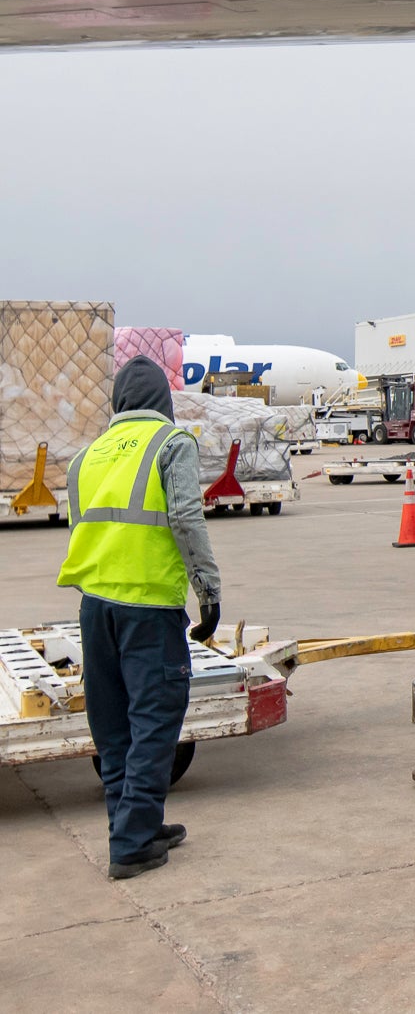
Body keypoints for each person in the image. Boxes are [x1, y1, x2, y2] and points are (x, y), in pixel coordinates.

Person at [56, 356, 223, 879]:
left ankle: (136, 826)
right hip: (148, 609)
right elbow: (185, 519)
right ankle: (131, 845)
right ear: (164, 402)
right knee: (155, 721)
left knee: (113, 727)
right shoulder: (171, 444)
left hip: (94, 607)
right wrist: (208, 591)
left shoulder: (86, 456)